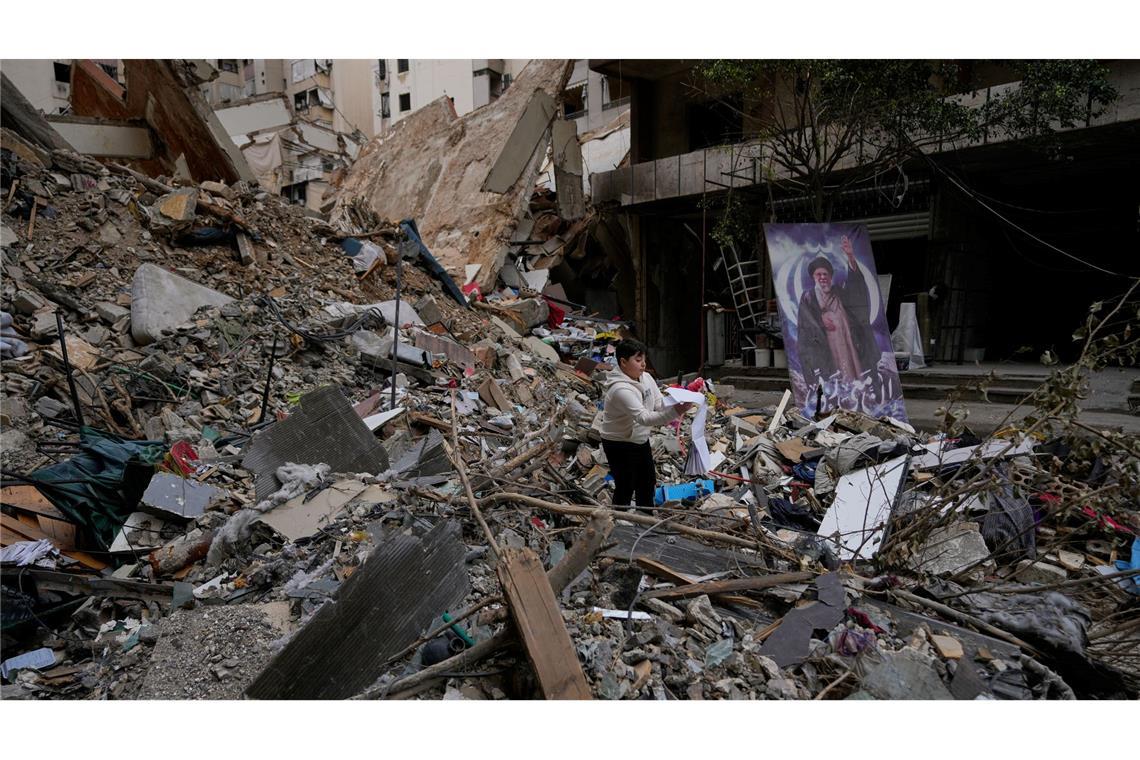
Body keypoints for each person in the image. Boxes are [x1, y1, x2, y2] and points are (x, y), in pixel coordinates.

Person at [600, 339, 691, 508]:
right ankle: (619, 519)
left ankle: (645, 517)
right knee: (625, 484)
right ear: (623, 362)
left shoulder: (646, 378)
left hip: (639, 438)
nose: (643, 364)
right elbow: (644, 418)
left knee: (647, 481)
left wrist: (679, 400)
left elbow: (659, 404)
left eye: (644, 359)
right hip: (618, 442)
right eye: (638, 360)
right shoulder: (620, 390)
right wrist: (676, 412)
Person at [796, 235, 880, 384]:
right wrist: (821, 322)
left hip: (847, 344)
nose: (822, 277)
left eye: (825, 274)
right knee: (833, 380)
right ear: (813, 277)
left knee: (852, 375)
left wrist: (850, 257)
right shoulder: (808, 297)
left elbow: (856, 291)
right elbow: (805, 322)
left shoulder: (839, 292)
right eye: (818, 274)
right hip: (824, 348)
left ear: (830, 276)